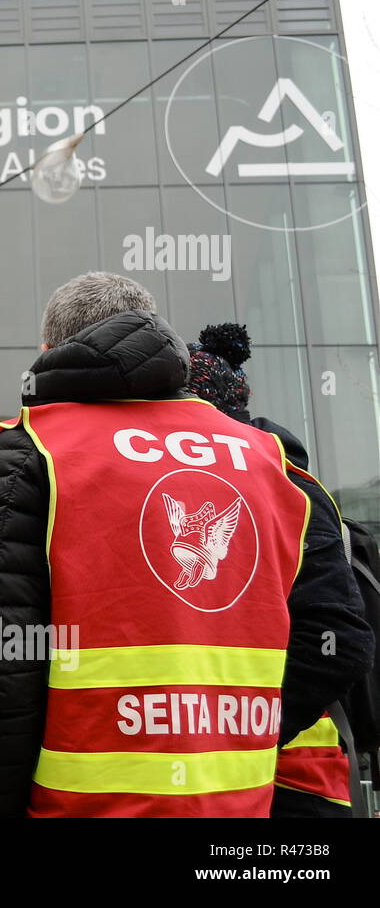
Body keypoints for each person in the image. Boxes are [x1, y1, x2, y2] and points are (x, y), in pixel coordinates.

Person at [0, 272, 371, 817]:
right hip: (236, 806)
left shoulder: (35, 451)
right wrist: (229, 740)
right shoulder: (268, 459)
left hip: (84, 803)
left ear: (48, 351)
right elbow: (336, 635)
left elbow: (3, 662)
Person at [186, 322, 374, 817]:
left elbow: (339, 643)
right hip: (218, 777)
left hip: (290, 783)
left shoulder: (287, 487)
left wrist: (235, 733)